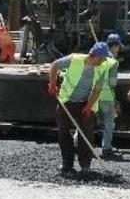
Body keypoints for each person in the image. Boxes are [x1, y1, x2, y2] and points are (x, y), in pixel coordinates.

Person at [47, 42, 109, 174]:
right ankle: (67, 164)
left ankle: (85, 165)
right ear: (96, 56)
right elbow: (54, 65)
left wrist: (89, 106)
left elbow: (97, 90)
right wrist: (52, 83)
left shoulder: (102, 68)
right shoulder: (74, 59)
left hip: (85, 103)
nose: (104, 61)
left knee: (86, 133)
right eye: (103, 58)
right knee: (64, 132)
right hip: (66, 100)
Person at [92, 34, 122, 157]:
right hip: (106, 95)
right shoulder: (113, 62)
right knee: (109, 122)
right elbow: (113, 83)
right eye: (118, 46)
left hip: (93, 95)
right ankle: (106, 148)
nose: (119, 49)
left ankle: (77, 142)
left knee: (88, 120)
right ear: (114, 46)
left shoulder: (94, 58)